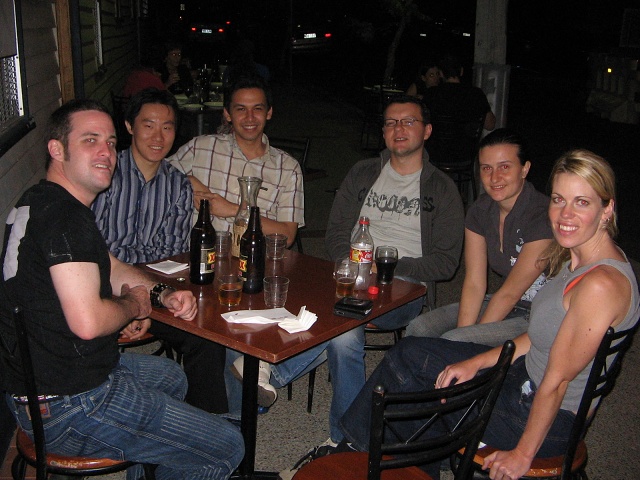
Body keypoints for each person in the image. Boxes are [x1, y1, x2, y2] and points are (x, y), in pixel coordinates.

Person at [339, 149, 639, 480]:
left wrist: (523, 454)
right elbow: (540, 337)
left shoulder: (600, 285)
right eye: (558, 199)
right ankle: (386, 458)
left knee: (416, 387)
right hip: (523, 380)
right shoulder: (578, 257)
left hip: (541, 418)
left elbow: (557, 382)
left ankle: (351, 453)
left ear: (607, 208)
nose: (565, 214)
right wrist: (476, 362)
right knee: (411, 354)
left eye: (581, 202)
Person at [0, 99, 244, 479]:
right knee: (228, 446)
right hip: (70, 404)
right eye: (90, 140)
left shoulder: (42, 200)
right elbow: (89, 323)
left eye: (111, 143)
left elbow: (112, 266)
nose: (106, 152)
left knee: (172, 377)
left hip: (45, 381)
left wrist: (161, 294)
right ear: (57, 149)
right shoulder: (66, 220)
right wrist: (133, 304)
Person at [277, 94, 464, 462]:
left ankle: (271, 374)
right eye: (391, 122)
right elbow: (335, 233)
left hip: (404, 289)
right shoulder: (363, 172)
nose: (398, 129)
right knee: (332, 322)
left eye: (408, 121)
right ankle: (347, 442)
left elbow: (446, 264)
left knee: (338, 325)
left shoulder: (442, 188)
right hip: (351, 273)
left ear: (427, 131)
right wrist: (349, 265)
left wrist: (387, 267)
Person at [167, 74, 305, 408]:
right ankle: (242, 392)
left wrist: (231, 209)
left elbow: (287, 235)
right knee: (217, 332)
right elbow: (160, 174)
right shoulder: (201, 148)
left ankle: (244, 389)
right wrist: (190, 182)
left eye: (257, 108)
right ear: (227, 113)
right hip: (201, 266)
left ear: (269, 112)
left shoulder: (287, 168)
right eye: (240, 109)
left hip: (256, 269)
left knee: (313, 327)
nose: (249, 117)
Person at [92, 88, 229, 414]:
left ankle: (207, 423)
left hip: (153, 289)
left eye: (167, 127)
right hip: (100, 289)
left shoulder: (178, 184)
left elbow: (171, 253)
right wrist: (123, 307)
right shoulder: (105, 174)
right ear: (129, 126)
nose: (158, 136)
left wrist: (144, 303)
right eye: (148, 125)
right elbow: (93, 253)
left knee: (205, 334)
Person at [406, 128, 553, 346]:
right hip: (506, 302)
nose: (494, 177)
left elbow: (510, 293)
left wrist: (467, 342)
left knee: (457, 341)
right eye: (486, 168)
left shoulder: (542, 215)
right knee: (419, 328)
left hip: (541, 313)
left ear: (525, 169)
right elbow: (474, 283)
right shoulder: (480, 212)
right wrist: (464, 333)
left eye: (505, 167)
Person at [423, 53, 496, 132]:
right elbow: (490, 124)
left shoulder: (431, 93)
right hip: (466, 139)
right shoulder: (475, 94)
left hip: (436, 139)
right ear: (461, 71)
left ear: (441, 73)